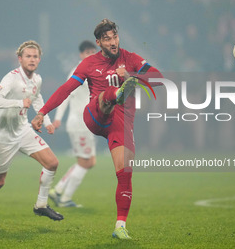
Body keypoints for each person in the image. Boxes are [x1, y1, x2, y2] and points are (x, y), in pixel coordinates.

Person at [32, 19, 163, 239]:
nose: (113, 42)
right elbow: (66, 89)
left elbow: (158, 78)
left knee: (124, 173)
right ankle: (116, 93)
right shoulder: (89, 63)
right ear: (98, 42)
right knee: (106, 95)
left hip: (119, 122)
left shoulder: (130, 58)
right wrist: (42, 112)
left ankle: (120, 227)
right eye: (107, 39)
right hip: (95, 114)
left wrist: (132, 77)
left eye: (114, 37)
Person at [0, 40, 63, 226]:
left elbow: (36, 98)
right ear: (20, 59)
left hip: (23, 130)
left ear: (39, 59)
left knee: (52, 163)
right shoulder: (11, 78)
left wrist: (46, 121)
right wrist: (18, 103)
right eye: (28, 56)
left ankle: (41, 205)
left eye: (35, 56)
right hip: (2, 135)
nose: (32, 59)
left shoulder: (37, 79)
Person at [49, 41, 97, 207]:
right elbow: (65, 94)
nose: (90, 54)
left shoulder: (94, 70)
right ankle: (63, 197)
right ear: (81, 54)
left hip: (87, 123)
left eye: (93, 51)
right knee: (85, 162)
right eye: (87, 52)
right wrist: (58, 118)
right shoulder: (79, 72)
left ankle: (59, 191)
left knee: (89, 161)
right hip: (80, 123)